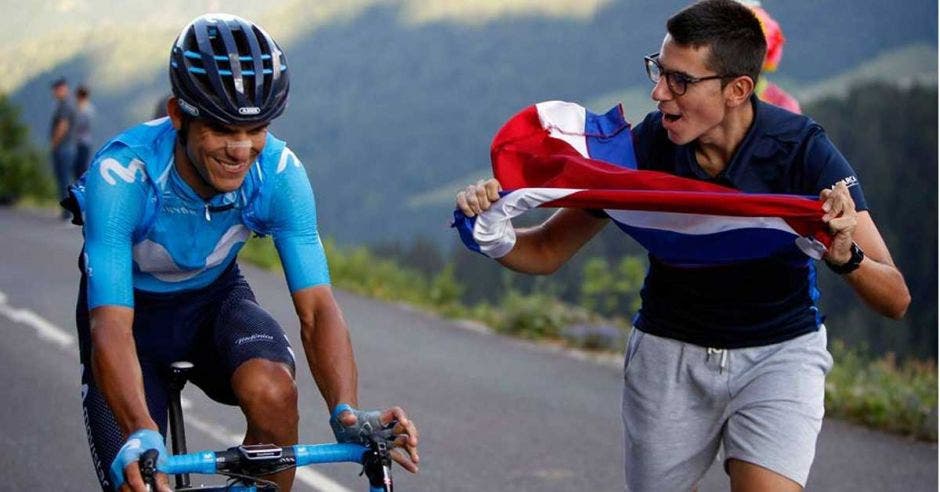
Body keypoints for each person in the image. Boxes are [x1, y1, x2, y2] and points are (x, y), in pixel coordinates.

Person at [454, 1, 909, 491]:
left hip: (779, 356)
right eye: (658, 71)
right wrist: (490, 230)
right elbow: (546, 252)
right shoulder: (643, 151)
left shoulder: (802, 150)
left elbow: (896, 297)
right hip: (668, 357)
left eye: (680, 81)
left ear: (737, 89)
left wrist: (847, 258)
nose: (658, 93)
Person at [63, 14, 419, 492]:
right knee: (140, 479)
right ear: (177, 115)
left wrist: (346, 412)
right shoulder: (123, 175)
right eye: (221, 129)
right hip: (130, 321)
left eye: (257, 129)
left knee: (273, 392)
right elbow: (109, 323)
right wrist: (141, 431)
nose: (241, 149)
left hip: (214, 303)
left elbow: (316, 308)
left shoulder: (279, 173)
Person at [49, 76, 77, 220]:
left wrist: (54, 143)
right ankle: (67, 211)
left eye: (55, 90)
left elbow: (63, 126)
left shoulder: (65, 105)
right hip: (68, 146)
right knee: (64, 178)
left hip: (64, 147)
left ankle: (68, 212)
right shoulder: (65, 104)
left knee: (64, 178)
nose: (54, 93)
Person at [73, 85, 96, 179]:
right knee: (76, 167)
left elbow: (83, 125)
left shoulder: (87, 109)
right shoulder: (77, 108)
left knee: (81, 166)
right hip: (77, 142)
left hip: (83, 141)